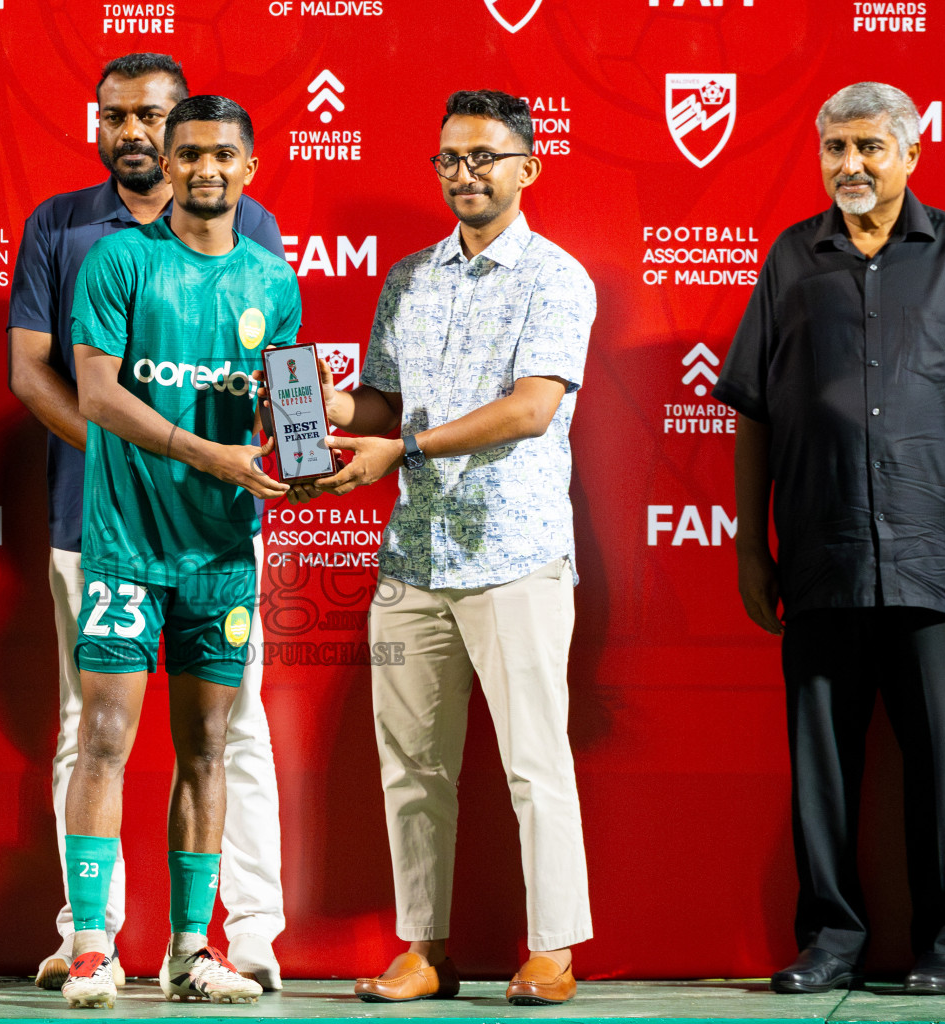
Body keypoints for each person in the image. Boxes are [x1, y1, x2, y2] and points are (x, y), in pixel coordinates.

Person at [715, 81, 945, 997]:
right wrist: (749, 547)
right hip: (821, 547)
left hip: (936, 548)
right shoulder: (790, 260)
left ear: (910, 155)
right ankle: (833, 940)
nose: (851, 165)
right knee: (825, 766)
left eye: (869, 148)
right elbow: (755, 412)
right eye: (835, 148)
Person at [297, 89, 595, 1006]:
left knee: (534, 759)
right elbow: (385, 407)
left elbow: (531, 408)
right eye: (451, 159)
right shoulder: (410, 279)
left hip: (517, 552)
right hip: (413, 558)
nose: (467, 174)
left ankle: (553, 950)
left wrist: (405, 447)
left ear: (528, 167)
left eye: (486, 157)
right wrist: (323, 405)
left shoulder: (557, 276)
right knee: (412, 765)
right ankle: (423, 947)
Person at [8, 53, 286, 992]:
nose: (204, 168)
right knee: (97, 735)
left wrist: (310, 452)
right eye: (188, 153)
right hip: (116, 537)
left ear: (250, 167)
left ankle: (201, 946)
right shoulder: (106, 254)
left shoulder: (270, 272)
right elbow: (90, 392)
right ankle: (92, 939)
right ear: (166, 162)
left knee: (218, 742)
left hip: (220, 546)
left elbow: (277, 396)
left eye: (223, 154)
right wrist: (185, 455)